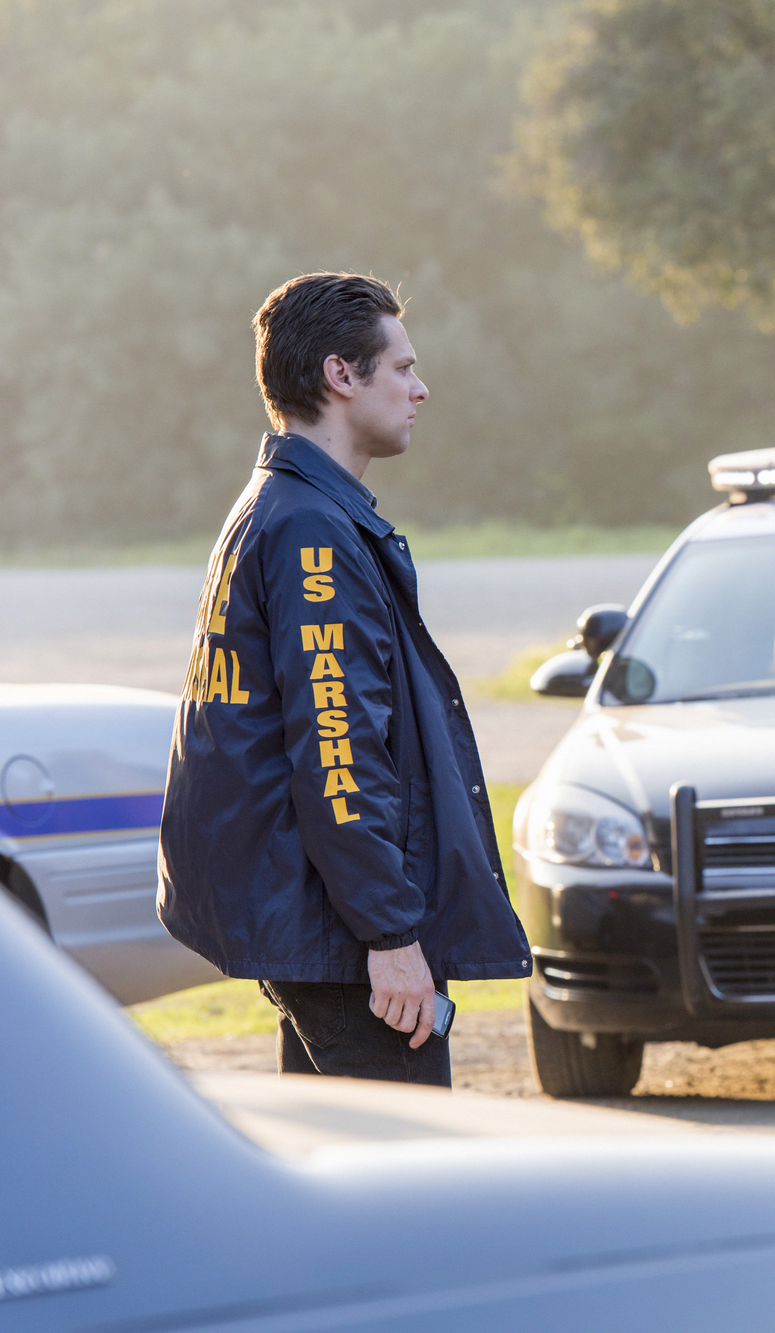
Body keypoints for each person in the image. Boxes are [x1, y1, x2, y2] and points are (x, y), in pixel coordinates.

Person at [158, 273, 530, 1086]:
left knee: (334, 1152)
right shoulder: (311, 532)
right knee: (408, 1158)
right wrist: (391, 937)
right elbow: (338, 752)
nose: (420, 389)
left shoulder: (278, 506)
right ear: (340, 375)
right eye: (402, 368)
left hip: (314, 925)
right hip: (341, 937)